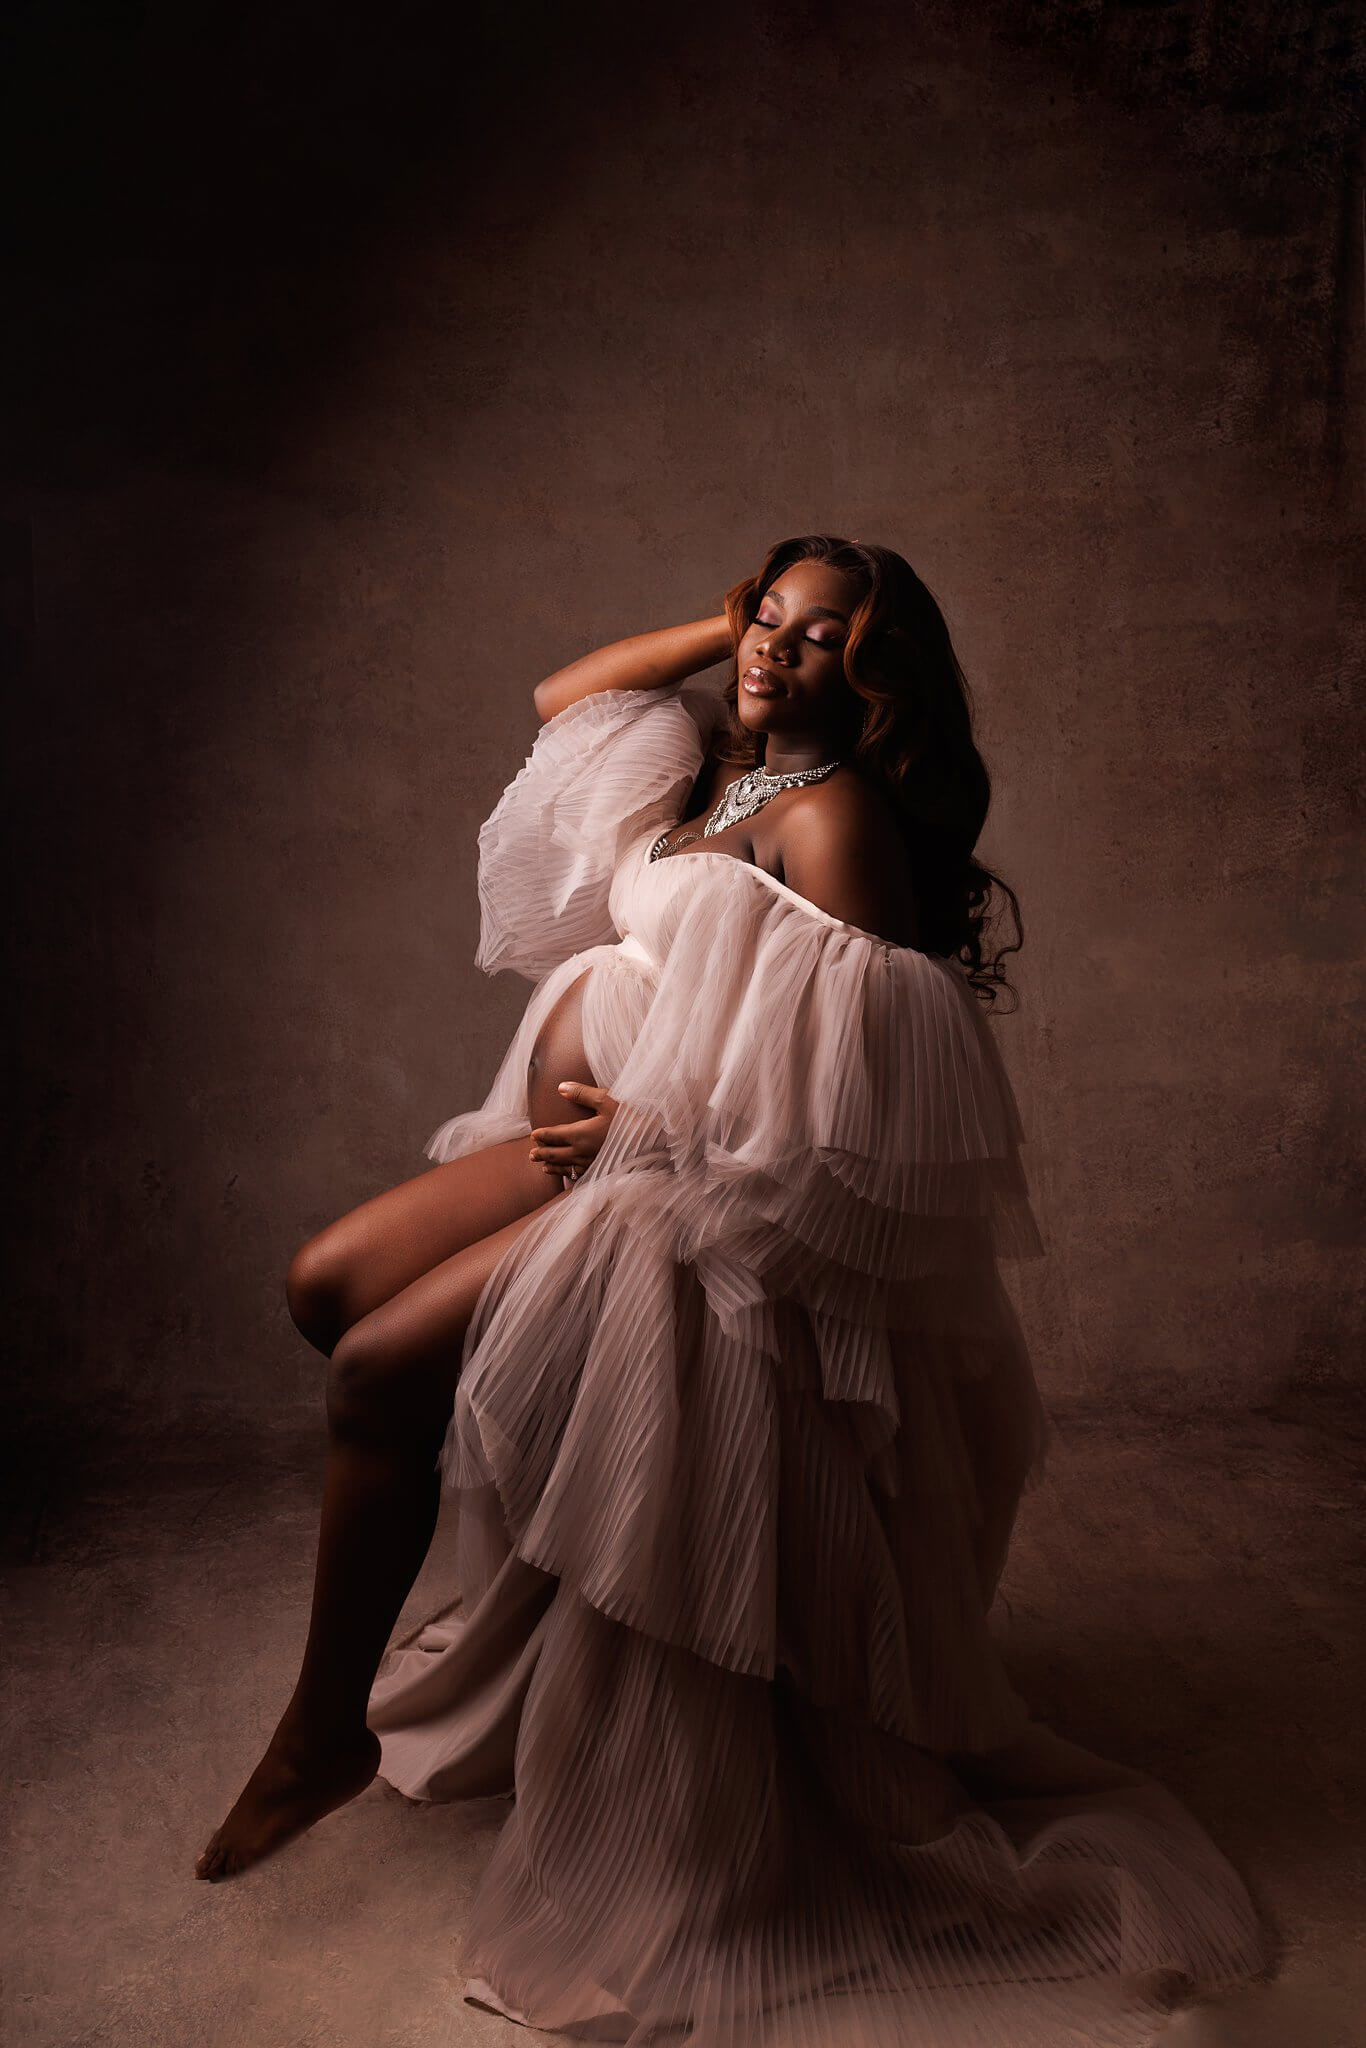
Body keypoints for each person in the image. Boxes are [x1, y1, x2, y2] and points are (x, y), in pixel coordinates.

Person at [196, 535, 1271, 2045]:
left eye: (821, 638)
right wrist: (721, 638)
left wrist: (645, 1128)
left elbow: (879, 1091)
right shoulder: (706, 765)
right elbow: (562, 693)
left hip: (686, 1188)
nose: (775, 648)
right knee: (326, 1288)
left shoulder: (832, 819)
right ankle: (468, 1636)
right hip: (576, 1149)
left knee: (374, 1373)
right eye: (766, 616)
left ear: (877, 680)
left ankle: (318, 1739)